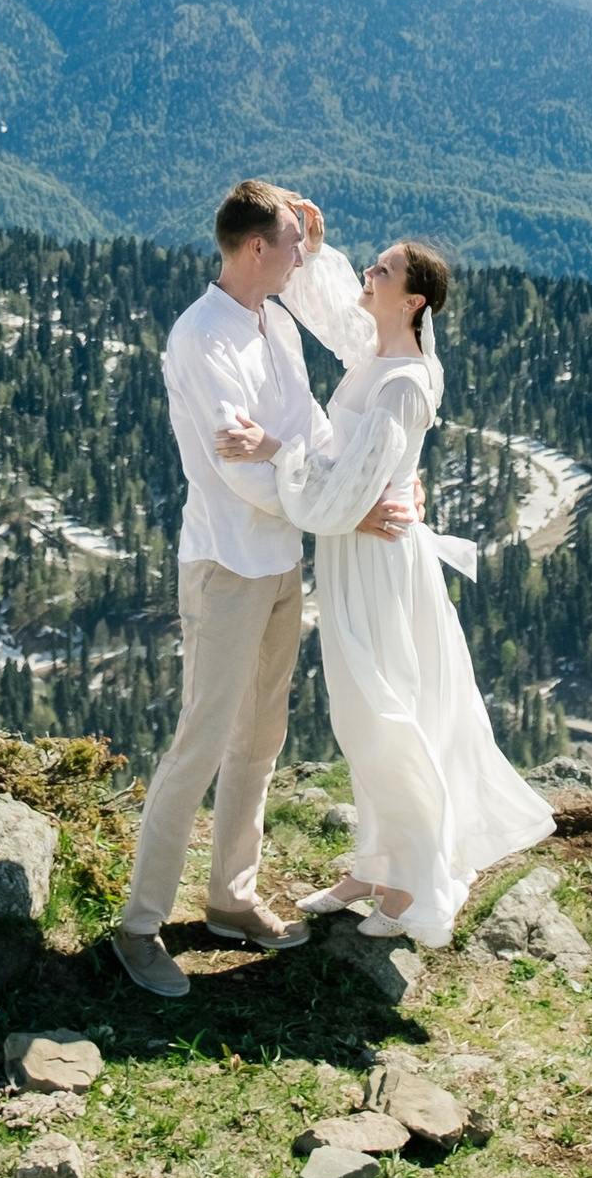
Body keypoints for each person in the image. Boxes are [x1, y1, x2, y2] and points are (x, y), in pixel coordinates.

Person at [111, 179, 419, 1000]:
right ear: (256, 249)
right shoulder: (200, 339)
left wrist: (362, 490)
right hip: (226, 565)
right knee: (200, 743)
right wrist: (343, 516)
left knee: (260, 738)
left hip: (281, 561)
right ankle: (139, 926)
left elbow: (312, 432)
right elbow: (239, 475)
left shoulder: (274, 323)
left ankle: (229, 900)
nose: (299, 257)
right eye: (292, 244)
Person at [217, 205, 553, 944]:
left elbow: (347, 491)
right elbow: (338, 316)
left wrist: (274, 448)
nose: (367, 277)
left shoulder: (402, 381)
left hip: (376, 561)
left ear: (413, 301)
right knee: (361, 706)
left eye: (382, 271)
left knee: (381, 712)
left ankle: (411, 884)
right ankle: (376, 862)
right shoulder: (381, 357)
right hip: (359, 552)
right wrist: (315, 246)